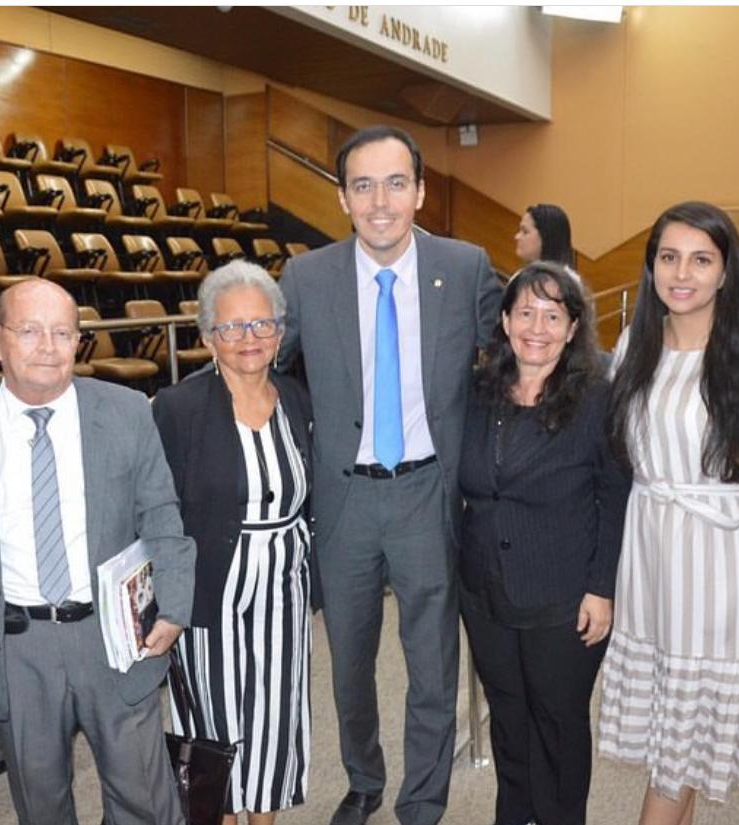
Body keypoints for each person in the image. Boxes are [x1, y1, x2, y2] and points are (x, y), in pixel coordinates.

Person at [277, 125, 502, 825]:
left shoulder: (464, 268)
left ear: (420, 192)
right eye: (364, 185)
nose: (381, 202)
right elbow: (269, 368)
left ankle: (423, 802)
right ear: (343, 197)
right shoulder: (306, 278)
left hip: (428, 493)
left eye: (396, 183)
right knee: (348, 662)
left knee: (432, 664)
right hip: (343, 497)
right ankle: (364, 777)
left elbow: (516, 358)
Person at [0, 279, 193, 825]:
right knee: (42, 806)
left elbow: (161, 512)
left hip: (114, 637)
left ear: (79, 342)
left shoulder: (127, 410)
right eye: (29, 331)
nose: (48, 347)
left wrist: (174, 606)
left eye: (62, 333)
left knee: (146, 801)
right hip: (17, 647)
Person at [597, 201, 739, 825]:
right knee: (673, 727)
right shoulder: (634, 345)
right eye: (669, 257)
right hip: (650, 554)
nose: (682, 273)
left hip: (720, 559)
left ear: (725, 272)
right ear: (652, 266)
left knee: (679, 744)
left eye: (700, 259)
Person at [458, 262, 630, 825]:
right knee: (508, 717)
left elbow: (616, 496)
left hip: (563, 594)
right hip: (485, 591)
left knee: (557, 723)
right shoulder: (478, 391)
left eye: (553, 316)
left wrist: (602, 589)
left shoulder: (598, 398)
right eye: (525, 313)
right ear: (505, 321)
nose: (537, 327)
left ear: (573, 327)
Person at [153, 260, 318, 825]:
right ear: (207, 337)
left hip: (285, 590)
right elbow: (157, 513)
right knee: (214, 728)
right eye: (232, 327)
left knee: (276, 717)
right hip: (211, 592)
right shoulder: (177, 408)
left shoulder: (296, 398)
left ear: (280, 331)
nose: (249, 338)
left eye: (262, 324)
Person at [513, 203, 575, 269]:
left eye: (525, 232)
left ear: (547, 238)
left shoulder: (552, 275)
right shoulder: (532, 270)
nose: (516, 237)